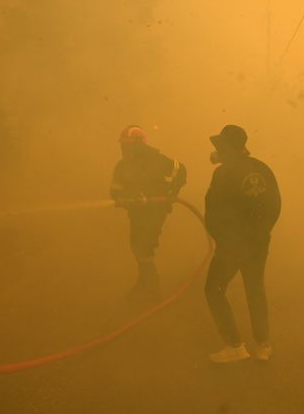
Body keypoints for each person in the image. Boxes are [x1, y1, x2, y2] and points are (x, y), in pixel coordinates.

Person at [204, 125, 281, 363]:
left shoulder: (223, 173)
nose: (216, 150)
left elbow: (213, 213)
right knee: (255, 288)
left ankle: (234, 346)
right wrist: (262, 234)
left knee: (213, 290)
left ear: (228, 148)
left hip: (232, 246)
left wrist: (223, 241)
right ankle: (263, 346)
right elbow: (275, 205)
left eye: (220, 146)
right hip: (258, 242)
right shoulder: (262, 168)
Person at [110, 125, 187, 301]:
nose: (123, 149)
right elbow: (115, 189)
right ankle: (146, 281)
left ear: (138, 144)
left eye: (127, 145)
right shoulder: (122, 166)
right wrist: (123, 198)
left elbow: (180, 171)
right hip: (136, 212)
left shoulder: (157, 161)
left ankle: (151, 286)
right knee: (137, 243)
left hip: (155, 211)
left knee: (144, 243)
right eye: (122, 145)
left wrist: (171, 192)